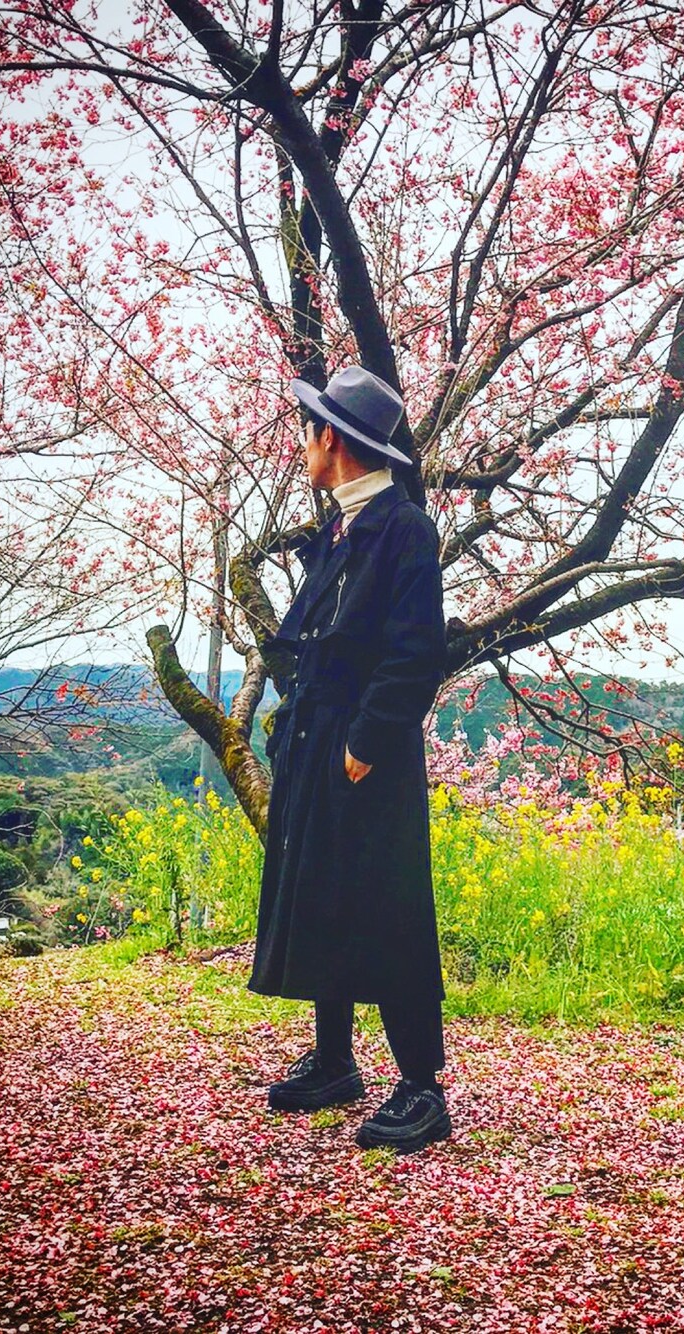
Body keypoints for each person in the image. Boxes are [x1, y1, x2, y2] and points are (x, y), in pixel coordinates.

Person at [248, 365, 451, 1154]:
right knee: (321, 894)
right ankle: (335, 1061)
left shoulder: (405, 528)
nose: (303, 445)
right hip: (313, 741)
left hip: (369, 752)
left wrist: (366, 742)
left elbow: (415, 652)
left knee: (389, 906)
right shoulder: (339, 529)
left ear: (330, 437)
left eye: (309, 431)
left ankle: (422, 1088)